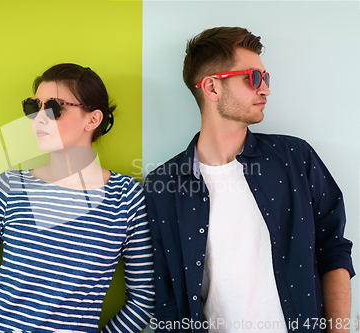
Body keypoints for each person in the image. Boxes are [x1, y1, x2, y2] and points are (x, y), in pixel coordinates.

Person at [144, 27, 354, 332]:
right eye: (253, 78)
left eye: (265, 79)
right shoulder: (163, 185)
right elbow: (166, 297)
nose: (265, 89)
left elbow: (333, 250)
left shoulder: (295, 157)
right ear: (212, 88)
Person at [0, 63, 154, 332]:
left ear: (92, 119)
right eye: (34, 107)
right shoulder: (8, 187)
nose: (39, 119)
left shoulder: (126, 197)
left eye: (54, 107)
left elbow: (143, 301)